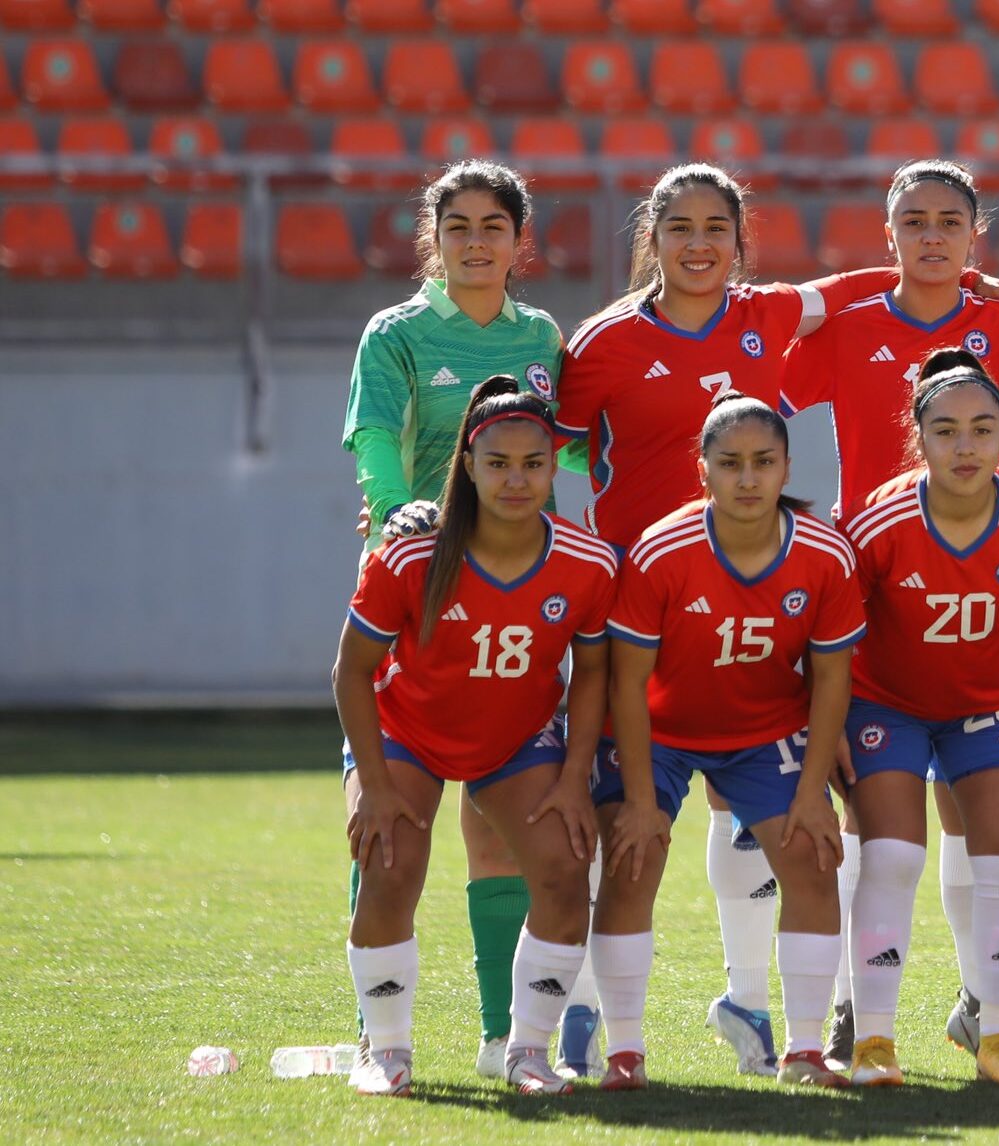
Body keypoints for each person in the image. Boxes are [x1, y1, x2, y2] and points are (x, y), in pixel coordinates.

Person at [551, 162, 999, 1077]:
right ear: (652, 237)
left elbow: (875, 282)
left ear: (738, 238)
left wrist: (981, 283)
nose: (698, 244)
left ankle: (753, 1001)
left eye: (716, 227)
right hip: (638, 611)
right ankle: (585, 1014)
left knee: (764, 805)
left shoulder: (768, 316)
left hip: (762, 596)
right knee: (617, 818)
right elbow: (548, 452)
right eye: (679, 227)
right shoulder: (601, 343)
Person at [778, 158, 999, 1064]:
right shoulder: (847, 324)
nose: (930, 235)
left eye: (948, 222)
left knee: (986, 829)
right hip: (875, 593)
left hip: (986, 594)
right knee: (878, 838)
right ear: (886, 233)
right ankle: (857, 1013)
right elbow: (747, 395)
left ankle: (985, 1010)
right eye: (912, 220)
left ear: (975, 235)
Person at [340, 160, 571, 1081]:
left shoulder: (541, 335)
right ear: (432, 240)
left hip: (510, 589)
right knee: (388, 828)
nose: (476, 242)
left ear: (521, 241)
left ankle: (498, 1039)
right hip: (417, 588)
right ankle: (378, 1038)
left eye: (494, 226)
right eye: (458, 226)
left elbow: (559, 444)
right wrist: (401, 510)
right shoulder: (395, 333)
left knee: (497, 831)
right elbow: (370, 436)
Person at [334, 378, 617, 1097]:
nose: (515, 479)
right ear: (467, 464)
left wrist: (572, 773)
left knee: (562, 868)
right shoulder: (409, 556)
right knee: (390, 860)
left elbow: (591, 674)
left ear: (555, 467)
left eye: (532, 463)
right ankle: (387, 1050)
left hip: (516, 739)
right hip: (407, 733)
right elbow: (351, 672)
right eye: (497, 463)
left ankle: (525, 1051)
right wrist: (369, 784)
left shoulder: (587, 562)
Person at [592, 393, 864, 1089]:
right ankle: (624, 1051)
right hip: (662, 731)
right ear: (702, 470)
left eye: (763, 463)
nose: (747, 479)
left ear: (786, 468)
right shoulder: (662, 549)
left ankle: (805, 1050)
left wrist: (811, 794)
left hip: (764, 730)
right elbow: (627, 683)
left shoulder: (824, 552)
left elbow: (832, 680)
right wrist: (642, 800)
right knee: (632, 854)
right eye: (730, 463)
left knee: (811, 858)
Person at [837, 349, 999, 1087]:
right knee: (892, 857)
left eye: (981, 430)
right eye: (945, 431)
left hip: (988, 706)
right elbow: (837, 630)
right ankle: (872, 1039)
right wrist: (837, 724)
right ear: (918, 438)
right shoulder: (879, 519)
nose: (964, 447)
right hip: (888, 706)